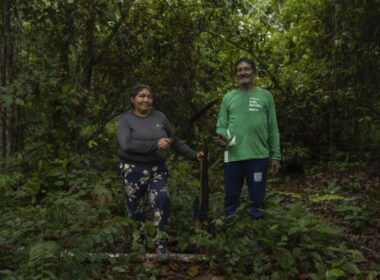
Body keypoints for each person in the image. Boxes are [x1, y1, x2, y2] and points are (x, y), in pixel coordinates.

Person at [117, 84, 203, 263]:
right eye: (141, 96)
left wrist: (194, 155)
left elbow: (174, 141)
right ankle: (138, 240)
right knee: (135, 207)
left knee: (162, 199)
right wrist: (155, 144)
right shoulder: (126, 119)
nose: (146, 100)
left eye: (149, 96)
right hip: (132, 169)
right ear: (133, 99)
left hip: (157, 169)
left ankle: (161, 241)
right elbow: (126, 144)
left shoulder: (160, 117)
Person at [214, 57, 281, 220]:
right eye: (239, 70)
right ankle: (232, 228)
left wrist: (276, 156)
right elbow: (221, 124)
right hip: (233, 155)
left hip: (258, 155)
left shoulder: (265, 96)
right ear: (236, 74)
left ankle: (256, 232)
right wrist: (221, 135)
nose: (243, 72)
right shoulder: (228, 97)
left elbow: (273, 127)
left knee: (258, 199)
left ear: (254, 73)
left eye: (246, 69)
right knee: (231, 197)